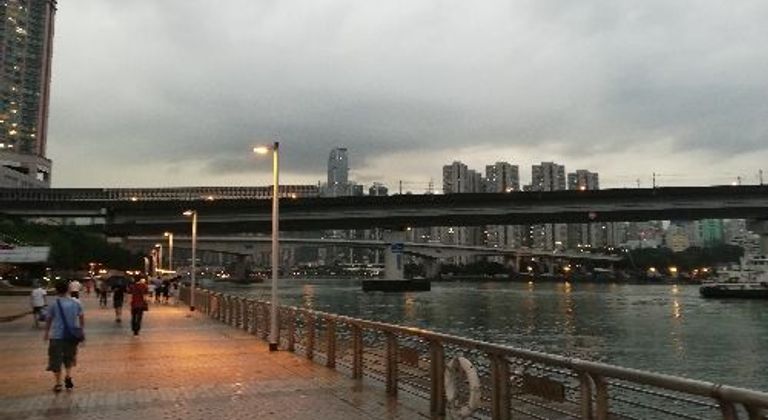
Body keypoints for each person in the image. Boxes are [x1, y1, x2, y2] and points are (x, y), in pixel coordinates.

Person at [44, 281, 84, 392]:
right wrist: (81, 330)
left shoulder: (53, 304)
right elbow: (81, 317)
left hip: (56, 335)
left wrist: (46, 332)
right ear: (68, 290)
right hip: (71, 336)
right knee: (69, 357)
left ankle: (58, 383)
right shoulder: (76, 303)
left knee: (55, 359)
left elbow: (49, 319)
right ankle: (68, 376)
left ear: (56, 290)